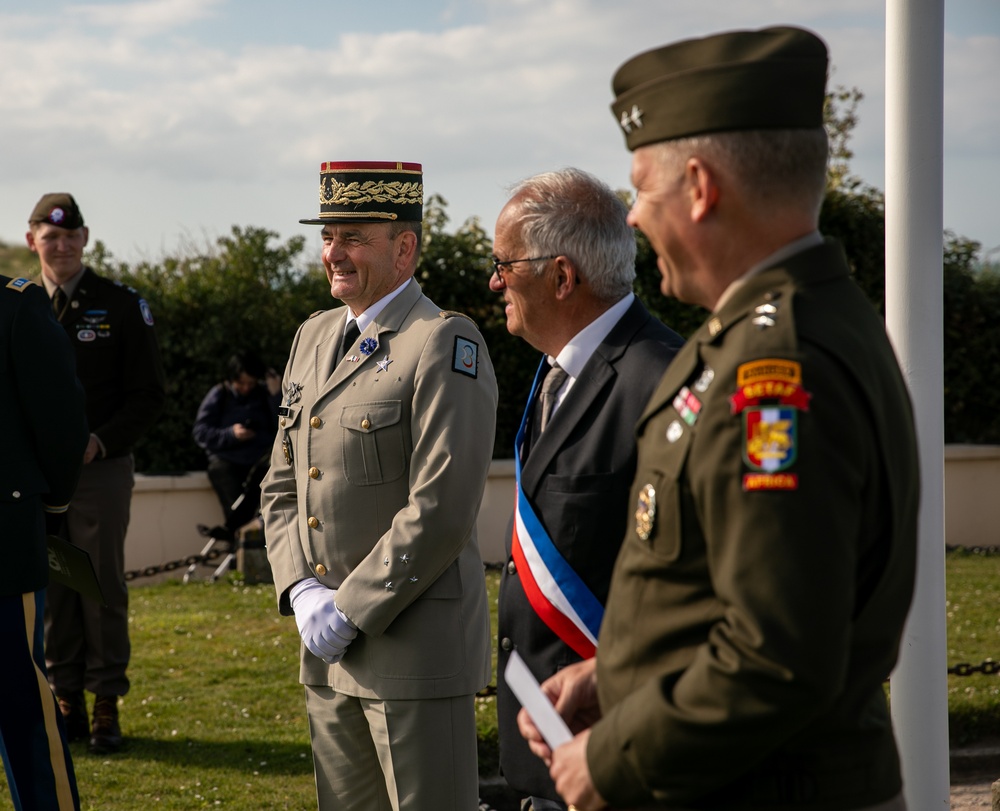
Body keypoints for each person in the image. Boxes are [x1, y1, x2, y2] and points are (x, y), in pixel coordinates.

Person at [518, 27, 920, 811]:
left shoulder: (778, 363)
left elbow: (776, 654)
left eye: (641, 187)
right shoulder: (778, 327)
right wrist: (617, 677)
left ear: (699, 187)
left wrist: (617, 757)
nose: (631, 217)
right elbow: (728, 595)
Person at [260, 160, 498, 811]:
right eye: (328, 235)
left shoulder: (443, 340)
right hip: (327, 652)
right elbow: (282, 481)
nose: (334, 252)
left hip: (415, 652)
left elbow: (442, 509)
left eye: (354, 237)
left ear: (404, 247)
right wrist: (302, 588)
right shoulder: (312, 337)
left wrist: (347, 608)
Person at [489, 167, 683, 811]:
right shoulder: (555, 375)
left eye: (505, 264)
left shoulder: (663, 384)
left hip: (621, 752)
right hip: (550, 742)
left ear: (562, 277)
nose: (495, 282)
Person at [26, 193, 167, 755]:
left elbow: (148, 395)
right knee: (52, 584)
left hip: (99, 471)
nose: (60, 245)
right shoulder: (16, 302)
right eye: (49, 235)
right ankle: (66, 701)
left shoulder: (121, 304)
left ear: (84, 239)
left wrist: (100, 439)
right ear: (32, 237)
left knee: (100, 586)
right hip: (34, 478)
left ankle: (106, 701)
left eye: (70, 235)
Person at [0, 276, 89, 810]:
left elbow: (60, 424)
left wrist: (49, 513)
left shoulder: (16, 306)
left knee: (21, 709)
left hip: (2, 552)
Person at [193, 349, 281, 540]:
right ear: (232, 379)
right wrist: (230, 434)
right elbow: (200, 432)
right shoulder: (220, 394)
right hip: (227, 462)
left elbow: (282, 426)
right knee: (237, 512)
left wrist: (276, 395)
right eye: (241, 383)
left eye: (251, 383)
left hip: (259, 462)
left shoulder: (265, 394)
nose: (246, 388)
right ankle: (238, 545)